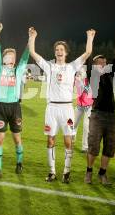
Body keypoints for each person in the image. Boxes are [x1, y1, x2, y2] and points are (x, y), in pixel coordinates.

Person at [29, 27, 95, 183]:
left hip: (66, 108)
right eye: (57, 49)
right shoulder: (49, 67)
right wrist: (32, 37)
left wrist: (90, 37)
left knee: (68, 140)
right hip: (51, 108)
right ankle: (52, 172)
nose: (59, 51)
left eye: (62, 49)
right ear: (55, 52)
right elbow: (33, 53)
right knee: (50, 140)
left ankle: (66, 172)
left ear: (66, 52)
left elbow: (87, 54)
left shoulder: (72, 67)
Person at [0, 22, 30, 178]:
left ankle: (19, 163)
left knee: (16, 138)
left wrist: (31, 38)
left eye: (13, 56)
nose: (11, 57)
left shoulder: (18, 69)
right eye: (8, 55)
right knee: (0, 138)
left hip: (14, 107)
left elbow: (26, 55)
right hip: (0, 107)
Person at [84, 53, 115, 185]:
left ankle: (102, 173)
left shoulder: (110, 75)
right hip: (97, 115)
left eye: (104, 62)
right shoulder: (93, 76)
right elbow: (87, 60)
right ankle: (89, 171)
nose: (101, 64)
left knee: (109, 147)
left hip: (110, 116)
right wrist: (90, 39)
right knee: (93, 146)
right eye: (98, 62)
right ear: (94, 65)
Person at [73, 66, 93, 153]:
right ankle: (72, 141)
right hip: (79, 106)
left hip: (89, 106)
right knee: (73, 124)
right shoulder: (77, 81)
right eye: (78, 73)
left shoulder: (90, 80)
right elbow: (80, 89)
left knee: (86, 126)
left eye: (80, 74)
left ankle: (85, 146)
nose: (78, 75)